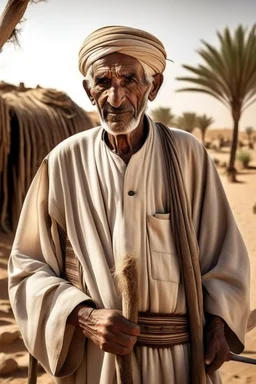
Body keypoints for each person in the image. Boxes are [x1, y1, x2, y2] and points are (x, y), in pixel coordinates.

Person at [8, 25, 250, 384]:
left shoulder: (188, 155)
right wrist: (82, 316)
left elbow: (224, 255)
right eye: (104, 82)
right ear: (88, 91)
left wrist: (218, 323)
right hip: (96, 362)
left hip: (179, 362)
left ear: (154, 86)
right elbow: (27, 266)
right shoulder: (63, 161)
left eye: (130, 80)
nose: (116, 98)